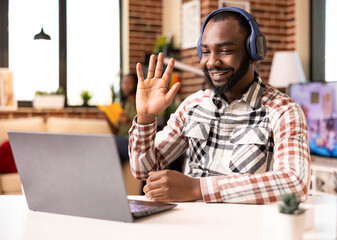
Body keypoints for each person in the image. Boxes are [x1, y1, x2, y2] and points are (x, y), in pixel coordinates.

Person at [128, 7, 310, 203]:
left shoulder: (283, 110)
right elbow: (142, 170)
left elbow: (295, 182)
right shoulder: (193, 106)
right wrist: (146, 117)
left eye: (225, 51)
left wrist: (198, 188)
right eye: (205, 51)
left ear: (252, 52)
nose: (212, 62)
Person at [115, 73, 138, 162]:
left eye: (129, 83)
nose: (125, 86)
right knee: (109, 141)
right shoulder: (123, 104)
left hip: (133, 142)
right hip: (121, 139)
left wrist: (128, 122)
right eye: (124, 83)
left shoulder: (140, 105)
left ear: (136, 84)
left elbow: (142, 131)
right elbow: (116, 130)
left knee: (112, 143)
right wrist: (107, 120)